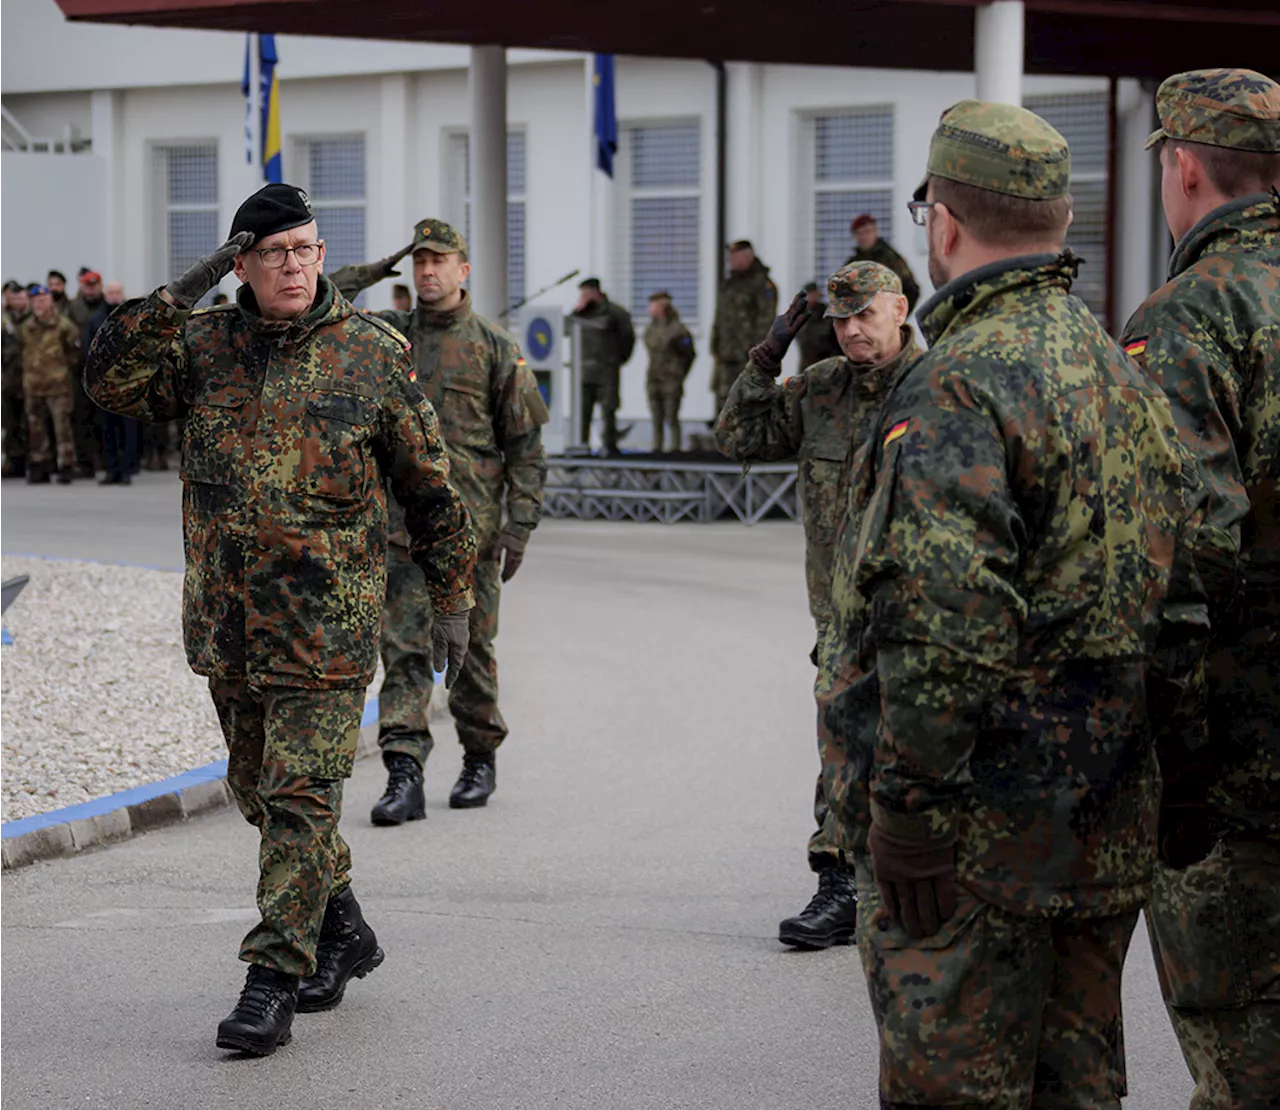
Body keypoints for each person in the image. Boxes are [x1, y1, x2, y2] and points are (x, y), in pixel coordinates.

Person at [845, 100, 1203, 1107]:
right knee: (1075, 1084)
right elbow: (1180, 595)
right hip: (1100, 820)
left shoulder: (956, 382)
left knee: (950, 1091)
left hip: (976, 837)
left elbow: (940, 621)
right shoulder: (1116, 370)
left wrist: (907, 807)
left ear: (942, 223)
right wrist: (1174, 774)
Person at [85, 183, 478, 1056]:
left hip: (327, 630)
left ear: (322, 253)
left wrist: (455, 598)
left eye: (305, 249)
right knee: (262, 793)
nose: (294, 266)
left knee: (301, 799)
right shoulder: (203, 347)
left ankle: (273, 976)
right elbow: (109, 381)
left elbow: (433, 491)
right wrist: (185, 288)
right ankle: (343, 928)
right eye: (273, 254)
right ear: (243, 264)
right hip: (228, 623)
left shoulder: (372, 354)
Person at [1121, 68, 1280, 1109]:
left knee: (1244, 1056)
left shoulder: (1190, 315)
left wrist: (1165, 759)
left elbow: (1181, 556)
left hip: (1240, 753)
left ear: (1181, 170)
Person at [715, 261, 919, 949]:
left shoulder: (942, 387)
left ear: (900, 307)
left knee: (921, 745)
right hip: (839, 612)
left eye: (865, 315)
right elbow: (738, 438)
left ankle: (922, 885)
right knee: (842, 743)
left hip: (927, 610)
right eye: (840, 320)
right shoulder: (823, 388)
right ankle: (839, 883)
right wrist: (764, 359)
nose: (853, 330)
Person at [330, 219, 548, 821]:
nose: (427, 271)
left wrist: (520, 524)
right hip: (400, 530)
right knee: (401, 651)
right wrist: (379, 266)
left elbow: (525, 448)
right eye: (418, 261)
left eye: (438, 260)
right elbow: (323, 298)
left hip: (472, 536)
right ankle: (404, 772)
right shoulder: (389, 337)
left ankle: (479, 756)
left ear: (462, 269)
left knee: (472, 650)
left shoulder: (496, 347)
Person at [19, 284, 80, 485]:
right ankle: (40, 464)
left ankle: (66, 465)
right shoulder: (26, 327)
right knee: (36, 427)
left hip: (58, 386)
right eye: (35, 301)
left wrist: (60, 372)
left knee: (62, 427)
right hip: (33, 386)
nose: (39, 304)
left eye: (43, 300)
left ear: (50, 302)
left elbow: (74, 354)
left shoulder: (63, 325)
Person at [710, 240, 777, 416]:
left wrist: (756, 355)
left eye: (734, 255)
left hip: (747, 357)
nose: (730, 260)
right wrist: (715, 346)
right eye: (729, 256)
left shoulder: (762, 285)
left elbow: (765, 322)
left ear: (747, 256)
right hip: (726, 356)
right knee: (724, 405)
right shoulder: (729, 284)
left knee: (748, 405)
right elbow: (720, 318)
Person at [571, 277, 635, 456]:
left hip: (607, 369)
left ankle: (609, 445)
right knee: (583, 410)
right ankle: (582, 445)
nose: (583, 297)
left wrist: (617, 360)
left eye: (586, 293)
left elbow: (628, 338)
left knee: (609, 409)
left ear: (595, 292)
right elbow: (569, 328)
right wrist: (577, 311)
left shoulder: (615, 312)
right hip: (585, 370)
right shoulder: (581, 313)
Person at [88, 281, 138, 484]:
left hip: (129, 382)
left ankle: (127, 469)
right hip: (105, 384)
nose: (114, 296)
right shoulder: (96, 319)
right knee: (107, 429)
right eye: (111, 292)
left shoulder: (135, 317)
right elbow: (88, 349)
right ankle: (111, 469)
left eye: (118, 292)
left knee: (129, 430)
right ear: (105, 294)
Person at [643, 291, 695, 453]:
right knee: (656, 417)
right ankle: (656, 447)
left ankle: (675, 447)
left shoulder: (678, 330)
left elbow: (689, 355)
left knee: (671, 416)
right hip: (654, 377)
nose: (649, 309)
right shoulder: (650, 329)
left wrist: (679, 373)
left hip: (671, 378)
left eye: (653, 305)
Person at [67, 269, 105, 477]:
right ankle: (85, 462)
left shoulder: (107, 307)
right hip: (79, 369)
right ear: (81, 286)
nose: (91, 290)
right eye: (87, 286)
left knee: (102, 418)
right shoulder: (73, 308)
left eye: (94, 286)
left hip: (102, 371)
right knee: (81, 418)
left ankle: (104, 459)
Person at [845, 214, 921, 313]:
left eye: (867, 232)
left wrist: (896, 316)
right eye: (860, 233)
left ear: (875, 232)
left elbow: (911, 289)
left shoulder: (890, 259)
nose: (864, 237)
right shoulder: (852, 264)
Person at [1, 280, 29, 478]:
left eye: (18, 296)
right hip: (7, 379)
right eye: (11, 296)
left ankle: (24, 461)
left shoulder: (30, 317)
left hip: (25, 378)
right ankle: (11, 461)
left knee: (25, 422)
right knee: (8, 423)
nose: (14, 299)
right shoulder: (5, 318)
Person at [793, 281, 841, 371]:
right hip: (807, 364)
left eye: (813, 293)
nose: (812, 296)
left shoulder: (828, 314)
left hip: (828, 363)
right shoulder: (799, 315)